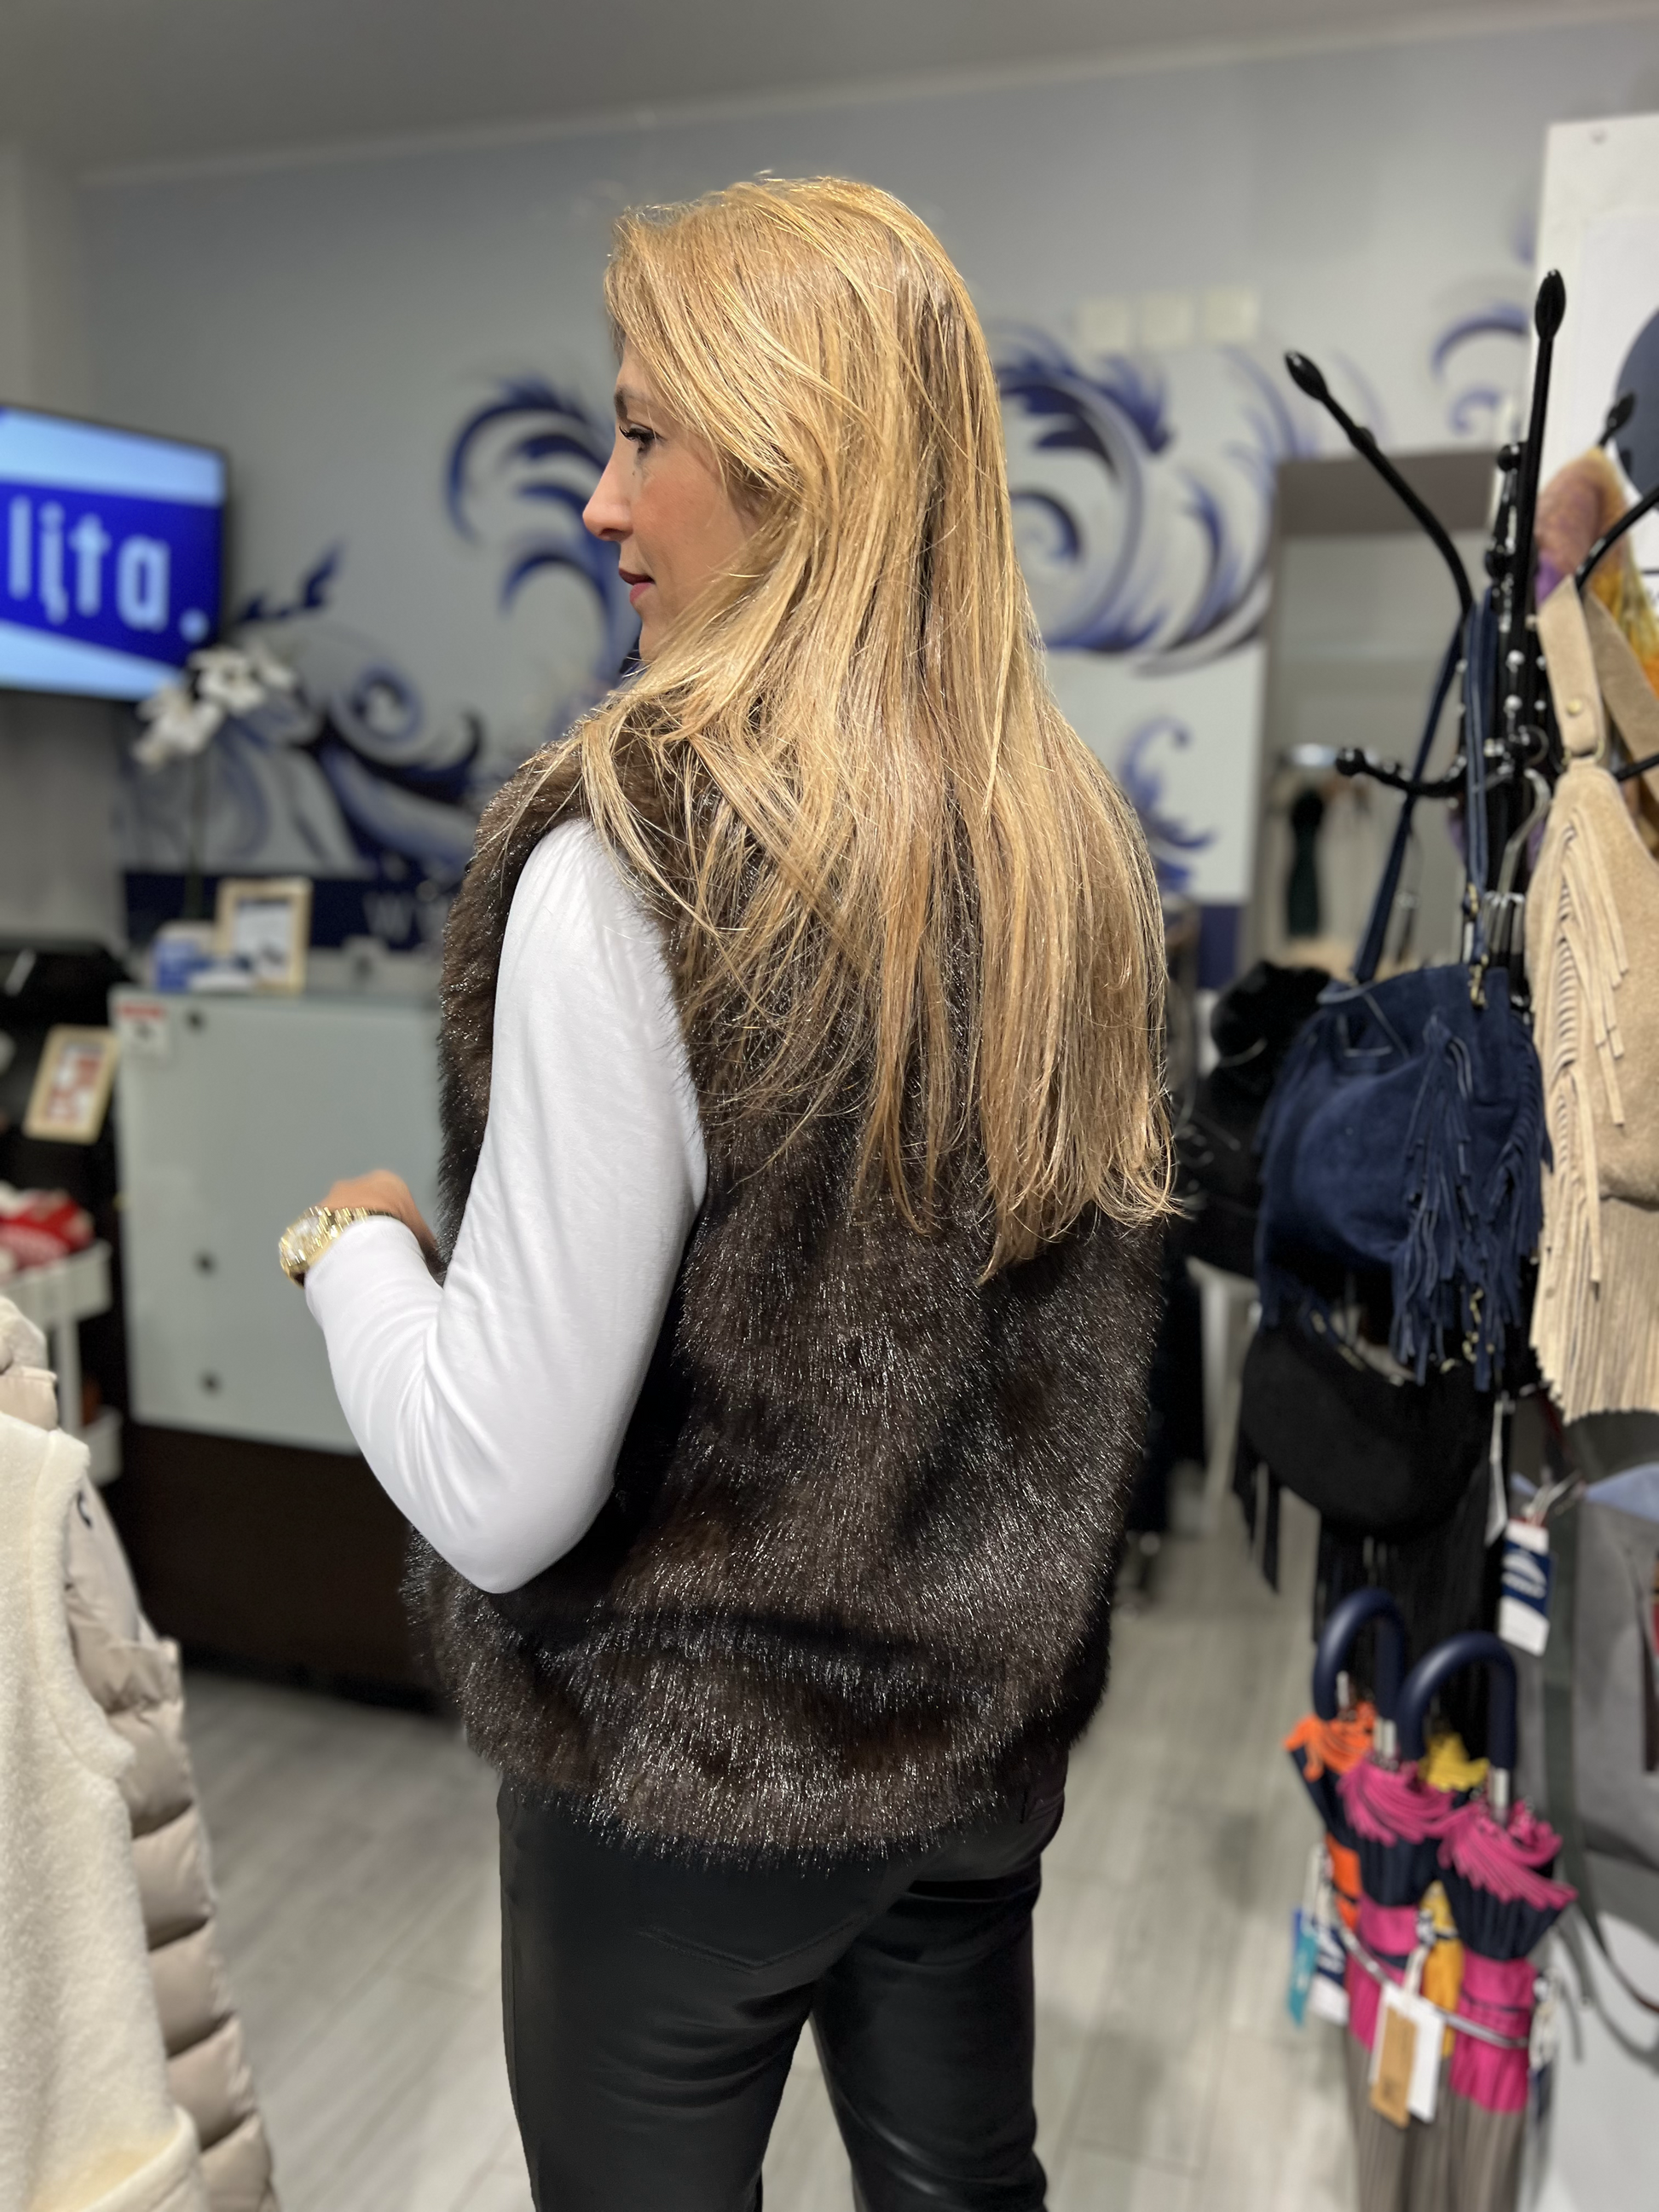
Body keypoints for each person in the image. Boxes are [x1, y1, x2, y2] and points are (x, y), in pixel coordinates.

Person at [279, 176, 1171, 2212]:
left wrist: (359, 1254)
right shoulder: (1065, 864)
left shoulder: (636, 870)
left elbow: (499, 1482)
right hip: (971, 1755)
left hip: (690, 1790)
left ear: (793, 459)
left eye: (640, 433)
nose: (599, 501)